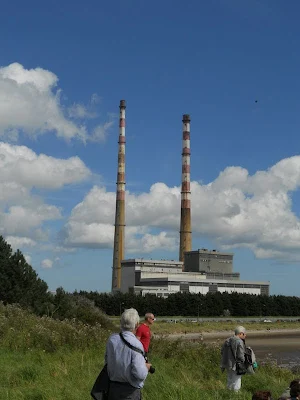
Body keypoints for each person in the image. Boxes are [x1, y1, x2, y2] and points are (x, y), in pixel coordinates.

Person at [105, 308, 152, 400]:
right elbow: (139, 374)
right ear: (137, 325)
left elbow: (107, 361)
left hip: (112, 388)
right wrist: (146, 367)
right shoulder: (137, 344)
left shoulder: (112, 339)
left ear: (121, 322)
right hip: (130, 392)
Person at [220, 326, 247, 392]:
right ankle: (236, 396)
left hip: (227, 364)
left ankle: (228, 393)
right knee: (237, 381)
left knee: (229, 380)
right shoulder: (239, 341)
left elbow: (222, 351)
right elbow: (241, 355)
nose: (245, 336)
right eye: (244, 334)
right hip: (236, 365)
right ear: (241, 333)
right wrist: (244, 362)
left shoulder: (227, 340)